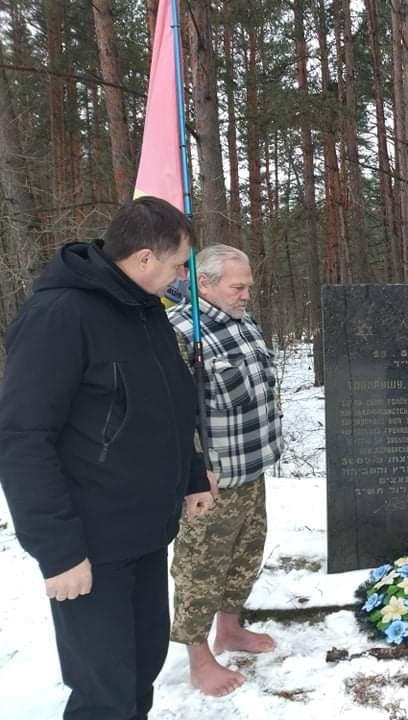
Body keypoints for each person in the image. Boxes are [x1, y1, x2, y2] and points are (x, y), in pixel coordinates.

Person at [0, 196, 215, 720]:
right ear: (144, 258)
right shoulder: (59, 316)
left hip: (143, 530)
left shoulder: (143, 310)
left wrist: (190, 475)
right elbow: (23, 437)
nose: (180, 276)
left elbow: (166, 404)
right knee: (104, 691)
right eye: (177, 264)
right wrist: (58, 550)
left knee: (141, 667)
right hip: (91, 544)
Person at [167, 244, 283, 696]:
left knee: (244, 555)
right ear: (204, 284)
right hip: (210, 481)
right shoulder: (180, 333)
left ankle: (230, 629)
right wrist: (194, 470)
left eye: (249, 286)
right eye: (238, 287)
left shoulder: (243, 323)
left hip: (250, 467)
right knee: (200, 568)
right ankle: (199, 659)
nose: (246, 295)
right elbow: (174, 414)